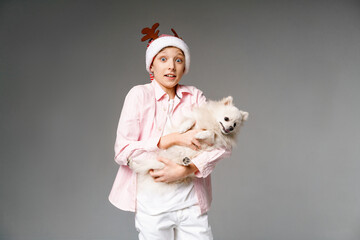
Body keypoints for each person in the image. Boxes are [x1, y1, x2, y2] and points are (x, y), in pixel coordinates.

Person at [108, 23, 231, 240]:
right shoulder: (138, 96)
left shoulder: (194, 96)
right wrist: (172, 139)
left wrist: (188, 169)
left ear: (185, 67)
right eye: (163, 59)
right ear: (151, 66)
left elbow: (222, 143)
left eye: (178, 60)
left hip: (191, 203)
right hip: (152, 204)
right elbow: (123, 152)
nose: (171, 66)